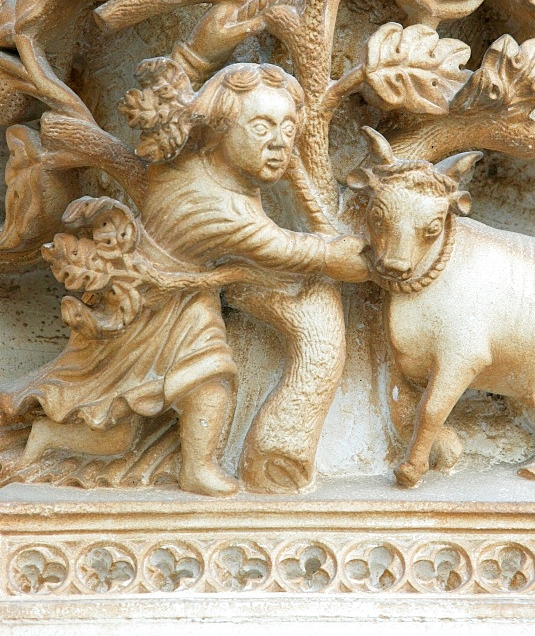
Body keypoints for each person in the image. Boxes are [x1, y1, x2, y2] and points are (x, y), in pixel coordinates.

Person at [0, 62, 368, 496]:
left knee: (161, 409)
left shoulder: (179, 162)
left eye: (289, 130)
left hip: (176, 297)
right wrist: (340, 257)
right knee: (202, 388)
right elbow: (286, 249)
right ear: (220, 129)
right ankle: (194, 467)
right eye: (262, 128)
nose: (279, 144)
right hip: (156, 308)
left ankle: (57, 439)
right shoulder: (226, 212)